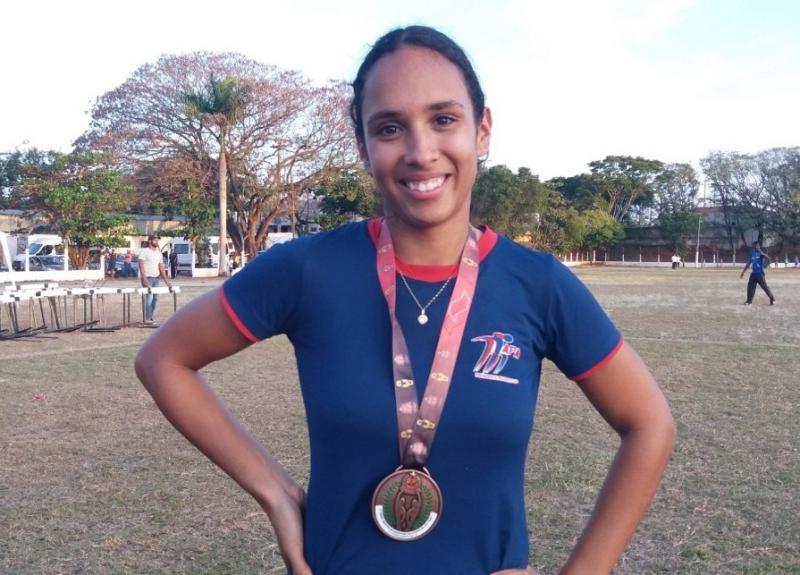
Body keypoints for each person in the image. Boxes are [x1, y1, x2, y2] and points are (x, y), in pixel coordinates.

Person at [135, 26, 675, 575]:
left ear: (482, 130)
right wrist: (274, 492)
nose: (420, 151)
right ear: (364, 148)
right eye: (389, 127)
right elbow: (164, 360)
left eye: (444, 119)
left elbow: (650, 424)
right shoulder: (307, 270)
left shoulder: (538, 284)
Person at [138, 234, 172, 324]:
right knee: (149, 297)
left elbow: (161, 267)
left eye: (158, 240)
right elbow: (141, 265)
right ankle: (148, 318)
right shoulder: (144, 251)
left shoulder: (158, 253)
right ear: (150, 241)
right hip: (147, 278)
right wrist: (144, 278)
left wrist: (167, 282)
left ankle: (150, 317)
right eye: (155, 240)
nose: (157, 242)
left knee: (155, 299)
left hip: (156, 278)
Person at [740, 240, 775, 305]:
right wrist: (743, 272)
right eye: (754, 246)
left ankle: (772, 299)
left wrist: (762, 253)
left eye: (757, 246)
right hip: (753, 274)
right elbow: (748, 263)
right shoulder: (752, 253)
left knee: (765, 287)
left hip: (760, 274)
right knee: (750, 287)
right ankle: (749, 301)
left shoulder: (761, 253)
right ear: (753, 247)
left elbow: (769, 259)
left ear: (759, 246)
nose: (756, 247)